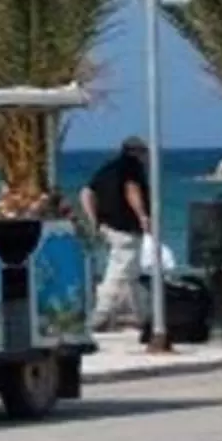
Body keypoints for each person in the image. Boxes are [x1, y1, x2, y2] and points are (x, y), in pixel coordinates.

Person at [80, 136, 153, 331]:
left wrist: (94, 220)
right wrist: (143, 216)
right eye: (145, 152)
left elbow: (86, 193)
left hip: (108, 227)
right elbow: (132, 190)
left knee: (132, 274)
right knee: (119, 273)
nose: (147, 157)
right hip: (125, 228)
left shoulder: (107, 168)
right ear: (137, 152)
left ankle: (145, 316)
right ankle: (101, 315)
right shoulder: (132, 167)